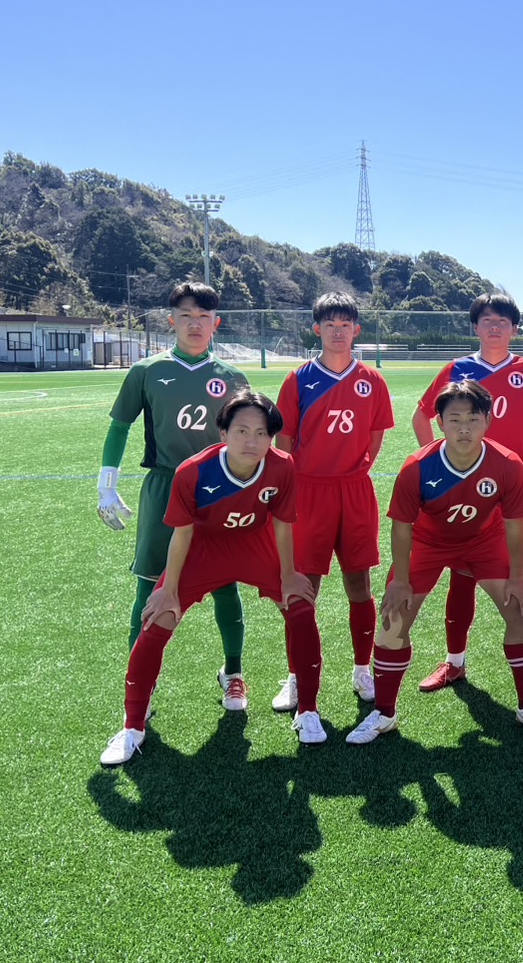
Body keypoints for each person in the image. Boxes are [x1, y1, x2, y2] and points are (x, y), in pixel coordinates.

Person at [101, 391, 322, 765]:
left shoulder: (282, 466)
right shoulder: (194, 471)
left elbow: (283, 525)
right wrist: (169, 589)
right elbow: (182, 533)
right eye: (241, 431)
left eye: (261, 433)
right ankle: (133, 725)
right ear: (223, 433)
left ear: (271, 437)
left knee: (300, 608)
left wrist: (288, 575)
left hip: (256, 545)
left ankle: (308, 711)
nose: (251, 441)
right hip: (204, 549)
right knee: (157, 619)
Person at [351, 380, 523, 745]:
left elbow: (514, 524)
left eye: (473, 419)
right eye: (454, 420)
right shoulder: (418, 466)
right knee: (393, 619)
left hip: (484, 541)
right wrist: (400, 580)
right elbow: (402, 528)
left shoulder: (506, 463)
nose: (464, 428)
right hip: (429, 542)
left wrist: (519, 575)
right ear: (439, 422)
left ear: (488, 420)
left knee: (521, 610)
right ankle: (385, 713)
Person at [410, 294, 523, 692]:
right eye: (487, 319)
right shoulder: (457, 369)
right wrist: (438, 464)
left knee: (522, 574)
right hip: (463, 492)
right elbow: (421, 416)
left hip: (513, 488)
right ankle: (454, 663)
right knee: (461, 575)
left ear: (515, 329)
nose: (494, 326)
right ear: (475, 327)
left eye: (503, 320)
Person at [97, 281, 252, 712]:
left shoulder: (232, 377)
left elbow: (247, 438)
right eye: (186, 316)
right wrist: (106, 484)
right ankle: (140, 683)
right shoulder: (147, 371)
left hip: (217, 489)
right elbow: (119, 427)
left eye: (203, 317)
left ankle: (233, 673)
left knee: (225, 584)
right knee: (150, 586)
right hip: (164, 486)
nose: (195, 324)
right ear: (172, 321)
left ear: (216, 322)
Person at [269, 292, 394, 712]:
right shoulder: (298, 379)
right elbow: (284, 440)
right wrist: (296, 485)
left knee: (359, 585)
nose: (338, 332)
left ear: (356, 330)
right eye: (330, 325)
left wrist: (354, 470)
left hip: (354, 490)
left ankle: (362, 669)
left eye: (345, 325)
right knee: (303, 588)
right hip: (308, 491)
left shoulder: (372, 380)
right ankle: (295, 677)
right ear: (316, 329)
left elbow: (375, 435)